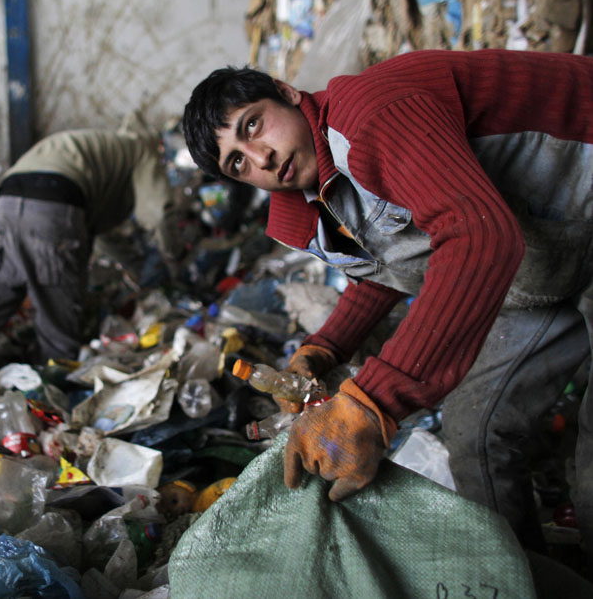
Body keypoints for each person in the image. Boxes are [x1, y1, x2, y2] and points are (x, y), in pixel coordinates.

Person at [182, 49, 593, 562]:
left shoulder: (371, 115)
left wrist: (374, 402)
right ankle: (527, 582)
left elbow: (476, 236)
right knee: (475, 434)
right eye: (238, 162)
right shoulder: (320, 202)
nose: (262, 157)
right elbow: (394, 263)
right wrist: (325, 349)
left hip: (568, 209)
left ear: (287, 93)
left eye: (254, 125)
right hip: (543, 259)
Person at [0, 125, 185, 412]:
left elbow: (103, 235)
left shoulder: (96, 146)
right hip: (55, 209)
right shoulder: (142, 151)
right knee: (58, 336)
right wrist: (175, 260)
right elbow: (159, 212)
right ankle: (46, 425)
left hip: (6, 205)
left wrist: (137, 268)